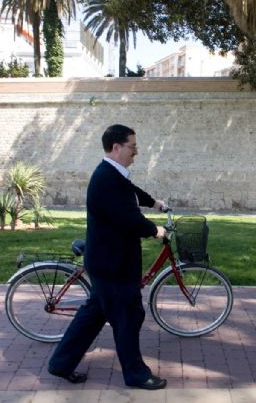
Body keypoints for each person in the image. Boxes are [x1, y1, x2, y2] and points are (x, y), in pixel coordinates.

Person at [47, 124, 168, 390]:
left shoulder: (112, 174)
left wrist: (153, 202)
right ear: (116, 147)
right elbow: (129, 219)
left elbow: (130, 190)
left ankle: (61, 363)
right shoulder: (107, 179)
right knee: (128, 316)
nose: (136, 152)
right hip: (114, 265)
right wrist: (155, 230)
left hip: (107, 261)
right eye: (132, 146)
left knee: (93, 315)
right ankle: (136, 374)